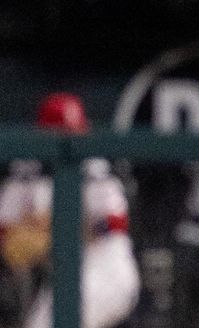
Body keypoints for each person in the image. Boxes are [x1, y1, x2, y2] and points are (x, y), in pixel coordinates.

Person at [0, 93, 141, 328]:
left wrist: (53, 230)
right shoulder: (26, 170)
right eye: (60, 133)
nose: (69, 139)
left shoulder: (97, 170)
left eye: (73, 132)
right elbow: (6, 229)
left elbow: (113, 225)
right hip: (59, 278)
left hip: (106, 272)